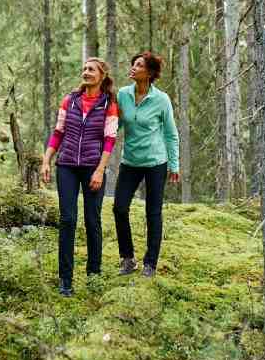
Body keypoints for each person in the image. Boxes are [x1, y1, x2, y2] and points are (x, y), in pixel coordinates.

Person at [40, 57, 119, 297]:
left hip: (93, 167)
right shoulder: (70, 100)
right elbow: (58, 132)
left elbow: (110, 140)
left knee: (92, 220)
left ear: (102, 75)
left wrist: (100, 170)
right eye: (84, 69)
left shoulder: (109, 104)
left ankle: (93, 275)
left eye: (91, 69)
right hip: (66, 166)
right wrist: (46, 160)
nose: (86, 72)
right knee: (67, 219)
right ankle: (65, 279)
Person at [113, 51, 179, 278]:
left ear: (149, 73)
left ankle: (150, 263)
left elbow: (170, 134)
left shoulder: (161, 99)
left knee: (153, 212)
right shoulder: (123, 94)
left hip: (155, 162)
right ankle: (128, 258)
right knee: (119, 207)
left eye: (139, 65)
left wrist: (174, 164)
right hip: (130, 161)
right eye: (134, 63)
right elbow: (116, 125)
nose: (133, 67)